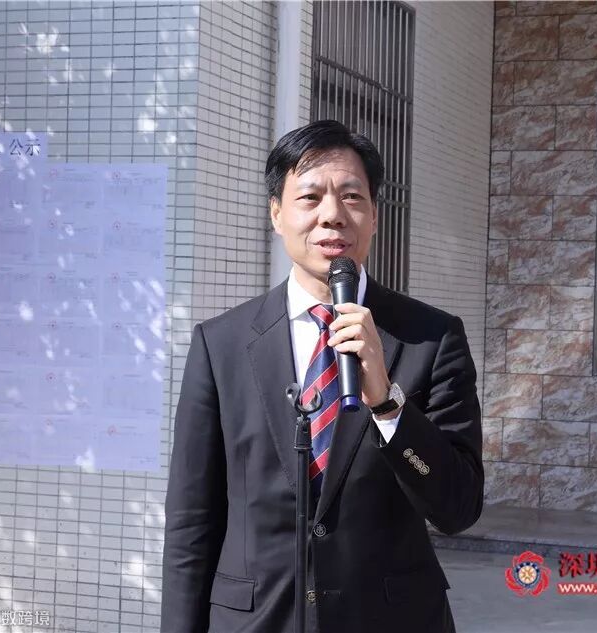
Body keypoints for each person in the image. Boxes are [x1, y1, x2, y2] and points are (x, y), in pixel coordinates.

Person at [161, 120, 484, 633]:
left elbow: (458, 508)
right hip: (256, 620)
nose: (332, 215)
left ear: (374, 216)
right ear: (276, 214)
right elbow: (191, 521)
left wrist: (388, 405)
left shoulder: (431, 338)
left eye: (352, 196)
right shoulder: (219, 344)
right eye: (310, 197)